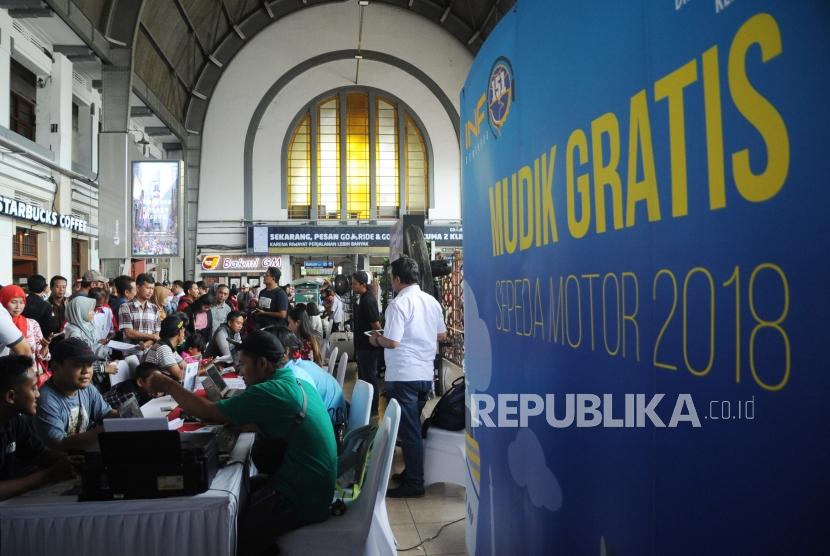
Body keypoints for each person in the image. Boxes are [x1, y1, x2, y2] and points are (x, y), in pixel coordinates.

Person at [145, 330, 337, 553]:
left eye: (244, 365)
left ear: (263, 363)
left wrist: (168, 385)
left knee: (231, 535)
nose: (240, 370)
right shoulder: (292, 380)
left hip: (303, 499)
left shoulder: (271, 391)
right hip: (314, 487)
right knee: (243, 492)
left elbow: (208, 412)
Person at [369, 256, 447, 498]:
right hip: (424, 375)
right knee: (413, 427)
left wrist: (375, 339)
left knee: (410, 431)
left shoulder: (398, 304)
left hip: (404, 375)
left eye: (392, 279)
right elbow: (442, 335)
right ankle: (411, 473)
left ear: (397, 279)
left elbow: (392, 341)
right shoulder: (431, 301)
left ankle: (414, 483)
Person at [0, 354, 73, 500]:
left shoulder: (15, 420)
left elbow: (39, 454)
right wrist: (47, 476)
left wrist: (70, 460)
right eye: (33, 389)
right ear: (10, 397)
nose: (38, 394)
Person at [35, 337, 117, 451]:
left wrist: (125, 417)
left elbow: (106, 413)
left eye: (89, 365)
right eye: (78, 365)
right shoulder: (46, 399)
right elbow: (59, 444)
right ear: (55, 366)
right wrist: (105, 430)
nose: (86, 371)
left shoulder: (87, 388)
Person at [273, 326, 346, 419]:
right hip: (336, 416)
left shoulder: (295, 375)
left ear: (285, 352)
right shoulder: (304, 364)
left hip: (333, 423)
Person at [63, 296, 117, 388]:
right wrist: (103, 368)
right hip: (85, 379)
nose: (93, 313)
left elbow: (92, 348)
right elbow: (79, 362)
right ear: (80, 312)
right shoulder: (74, 334)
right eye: (90, 310)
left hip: (94, 372)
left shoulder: (87, 326)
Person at [1, 286, 49, 380]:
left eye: (21, 302)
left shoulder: (32, 324)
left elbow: (41, 356)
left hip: (31, 376)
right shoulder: (3, 325)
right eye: (13, 302)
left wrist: (44, 348)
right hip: (6, 377)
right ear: (3, 301)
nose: (18, 306)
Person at [351, 271, 382, 414]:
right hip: (362, 346)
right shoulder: (363, 298)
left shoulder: (368, 300)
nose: (352, 286)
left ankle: (373, 409)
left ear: (363, 284)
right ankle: (367, 407)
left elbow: (376, 325)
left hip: (368, 348)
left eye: (354, 284)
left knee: (370, 378)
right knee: (364, 377)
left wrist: (378, 341)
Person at [118, 273, 161, 348]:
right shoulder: (125, 307)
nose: (150, 292)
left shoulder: (154, 308)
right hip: (131, 352)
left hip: (150, 353)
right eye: (148, 288)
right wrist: (152, 336)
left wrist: (146, 344)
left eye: (152, 288)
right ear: (138, 288)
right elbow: (129, 333)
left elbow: (157, 334)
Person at [141, 315, 187, 381]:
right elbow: (180, 375)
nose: (184, 335)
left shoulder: (167, 346)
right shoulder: (163, 348)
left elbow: (186, 367)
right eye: (183, 331)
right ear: (180, 332)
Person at [254, 267, 289, 331]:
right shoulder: (262, 292)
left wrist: (264, 313)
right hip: (262, 327)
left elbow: (282, 314)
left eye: (267, 275)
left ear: (273, 278)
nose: (264, 277)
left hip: (275, 330)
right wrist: (255, 307)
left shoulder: (280, 293)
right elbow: (261, 307)